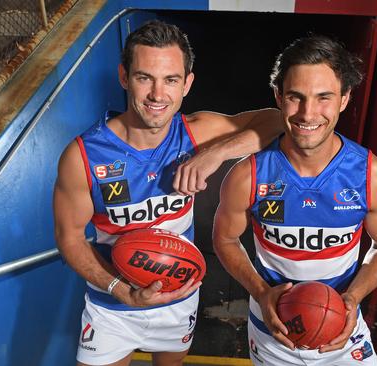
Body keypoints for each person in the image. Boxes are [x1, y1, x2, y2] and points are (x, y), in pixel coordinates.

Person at [53, 20, 281, 366]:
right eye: (145, 77)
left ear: (187, 83)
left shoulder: (196, 134)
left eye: (171, 80)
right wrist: (120, 290)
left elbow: (277, 120)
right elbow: (70, 238)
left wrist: (215, 154)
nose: (158, 95)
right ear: (124, 77)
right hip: (112, 303)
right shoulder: (83, 156)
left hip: (178, 295)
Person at [212, 35, 377, 365]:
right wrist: (260, 291)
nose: (308, 113)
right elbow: (225, 239)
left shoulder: (373, 177)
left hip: (342, 329)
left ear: (344, 99)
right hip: (274, 330)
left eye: (323, 97)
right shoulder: (248, 177)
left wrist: (353, 297)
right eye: (295, 98)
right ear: (279, 98)